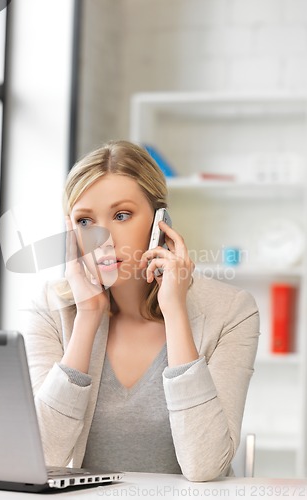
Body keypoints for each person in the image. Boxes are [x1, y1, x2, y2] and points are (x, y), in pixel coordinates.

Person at [22, 140, 259, 482]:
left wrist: (175, 312)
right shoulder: (49, 308)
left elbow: (205, 465)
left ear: (160, 221)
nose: (103, 238)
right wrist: (88, 317)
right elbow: (42, 458)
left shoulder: (231, 312)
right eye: (85, 221)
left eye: (121, 215)